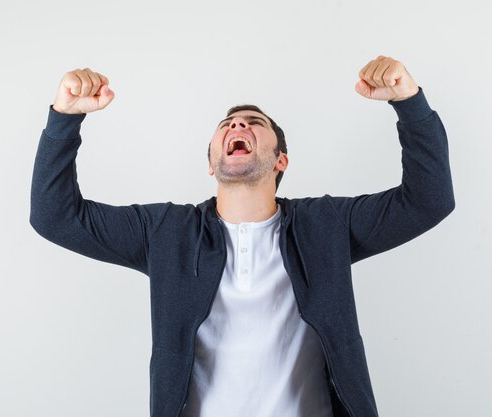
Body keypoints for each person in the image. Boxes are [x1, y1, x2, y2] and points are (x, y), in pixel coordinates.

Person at [30, 55, 455, 417]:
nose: (239, 125)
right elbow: (56, 217)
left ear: (280, 160)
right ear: (211, 164)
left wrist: (409, 102)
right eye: (228, 124)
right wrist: (65, 119)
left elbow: (428, 200)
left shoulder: (327, 225)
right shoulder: (165, 233)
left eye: (254, 123)